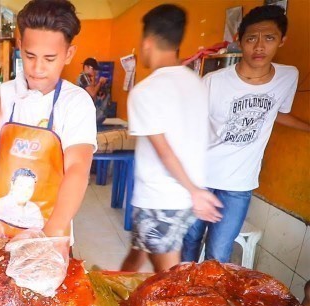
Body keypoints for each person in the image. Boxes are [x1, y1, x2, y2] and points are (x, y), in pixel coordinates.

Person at [182, 5, 310, 263]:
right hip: (201, 178)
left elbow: (276, 113)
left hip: (239, 185)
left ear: (282, 40)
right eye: (252, 38)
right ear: (239, 40)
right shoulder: (214, 82)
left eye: (269, 38)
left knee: (218, 253)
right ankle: (180, 298)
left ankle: (206, 302)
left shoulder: (288, 76)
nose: (260, 46)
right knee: (189, 242)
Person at [0, 0, 97, 241]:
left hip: (49, 228)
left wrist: (48, 237)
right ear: (20, 46)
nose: (38, 68)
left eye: (49, 59)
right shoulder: (3, 94)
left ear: (68, 54)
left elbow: (77, 169)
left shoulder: (75, 102)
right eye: (30, 56)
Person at [118, 4, 222, 273]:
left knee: (167, 279)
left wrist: (194, 191)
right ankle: (115, 289)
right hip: (181, 200)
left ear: (148, 42)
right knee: (138, 254)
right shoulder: (196, 83)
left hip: (160, 199)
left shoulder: (146, 91)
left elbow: (164, 151)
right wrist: (195, 190)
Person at [77, 57, 110, 126]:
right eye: (93, 69)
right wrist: (100, 82)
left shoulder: (88, 78)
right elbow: (92, 93)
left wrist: (95, 79)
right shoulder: (83, 77)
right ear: (86, 67)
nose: (95, 71)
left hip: (87, 109)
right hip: (83, 110)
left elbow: (94, 96)